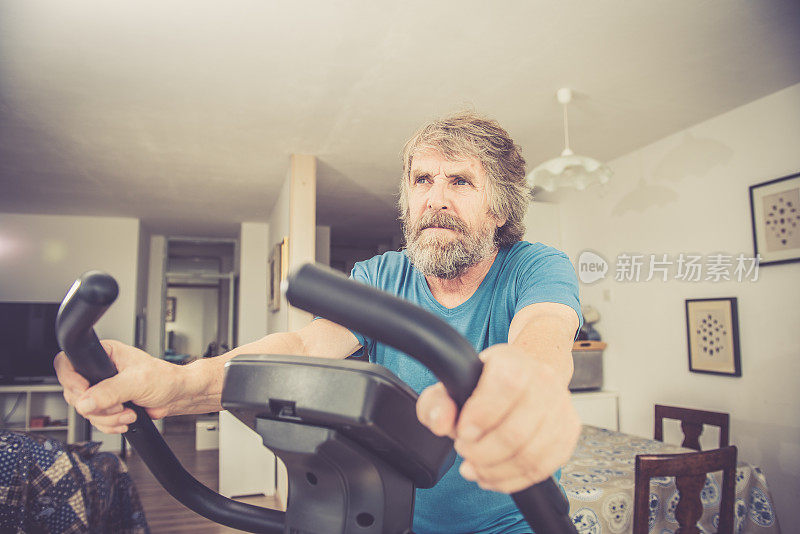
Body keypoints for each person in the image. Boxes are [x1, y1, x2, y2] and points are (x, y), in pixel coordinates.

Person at [54, 111, 583, 534]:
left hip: (516, 520)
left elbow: (543, 337)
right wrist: (175, 384)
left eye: (461, 181)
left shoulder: (534, 267)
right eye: (422, 179)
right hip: (402, 519)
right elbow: (302, 347)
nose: (435, 198)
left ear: (499, 210)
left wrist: (530, 387)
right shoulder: (381, 276)